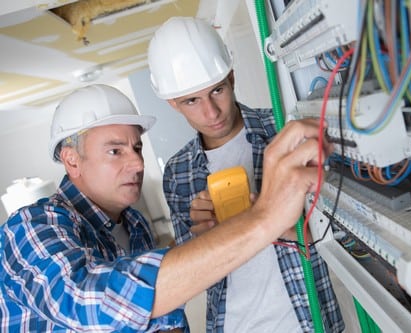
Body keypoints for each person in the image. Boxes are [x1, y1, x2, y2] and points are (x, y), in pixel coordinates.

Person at [0, 84, 327, 332]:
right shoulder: (30, 225)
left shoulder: (135, 225)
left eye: (137, 147)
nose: (137, 163)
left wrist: (218, 236)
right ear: (72, 160)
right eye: (115, 151)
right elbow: (91, 304)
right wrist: (264, 217)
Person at [148, 17, 345, 332]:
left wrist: (265, 218)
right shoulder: (178, 172)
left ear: (232, 78)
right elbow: (195, 278)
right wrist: (207, 238)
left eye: (217, 90)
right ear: (174, 104)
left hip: (306, 322)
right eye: (191, 101)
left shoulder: (283, 131)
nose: (211, 112)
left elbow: (331, 237)